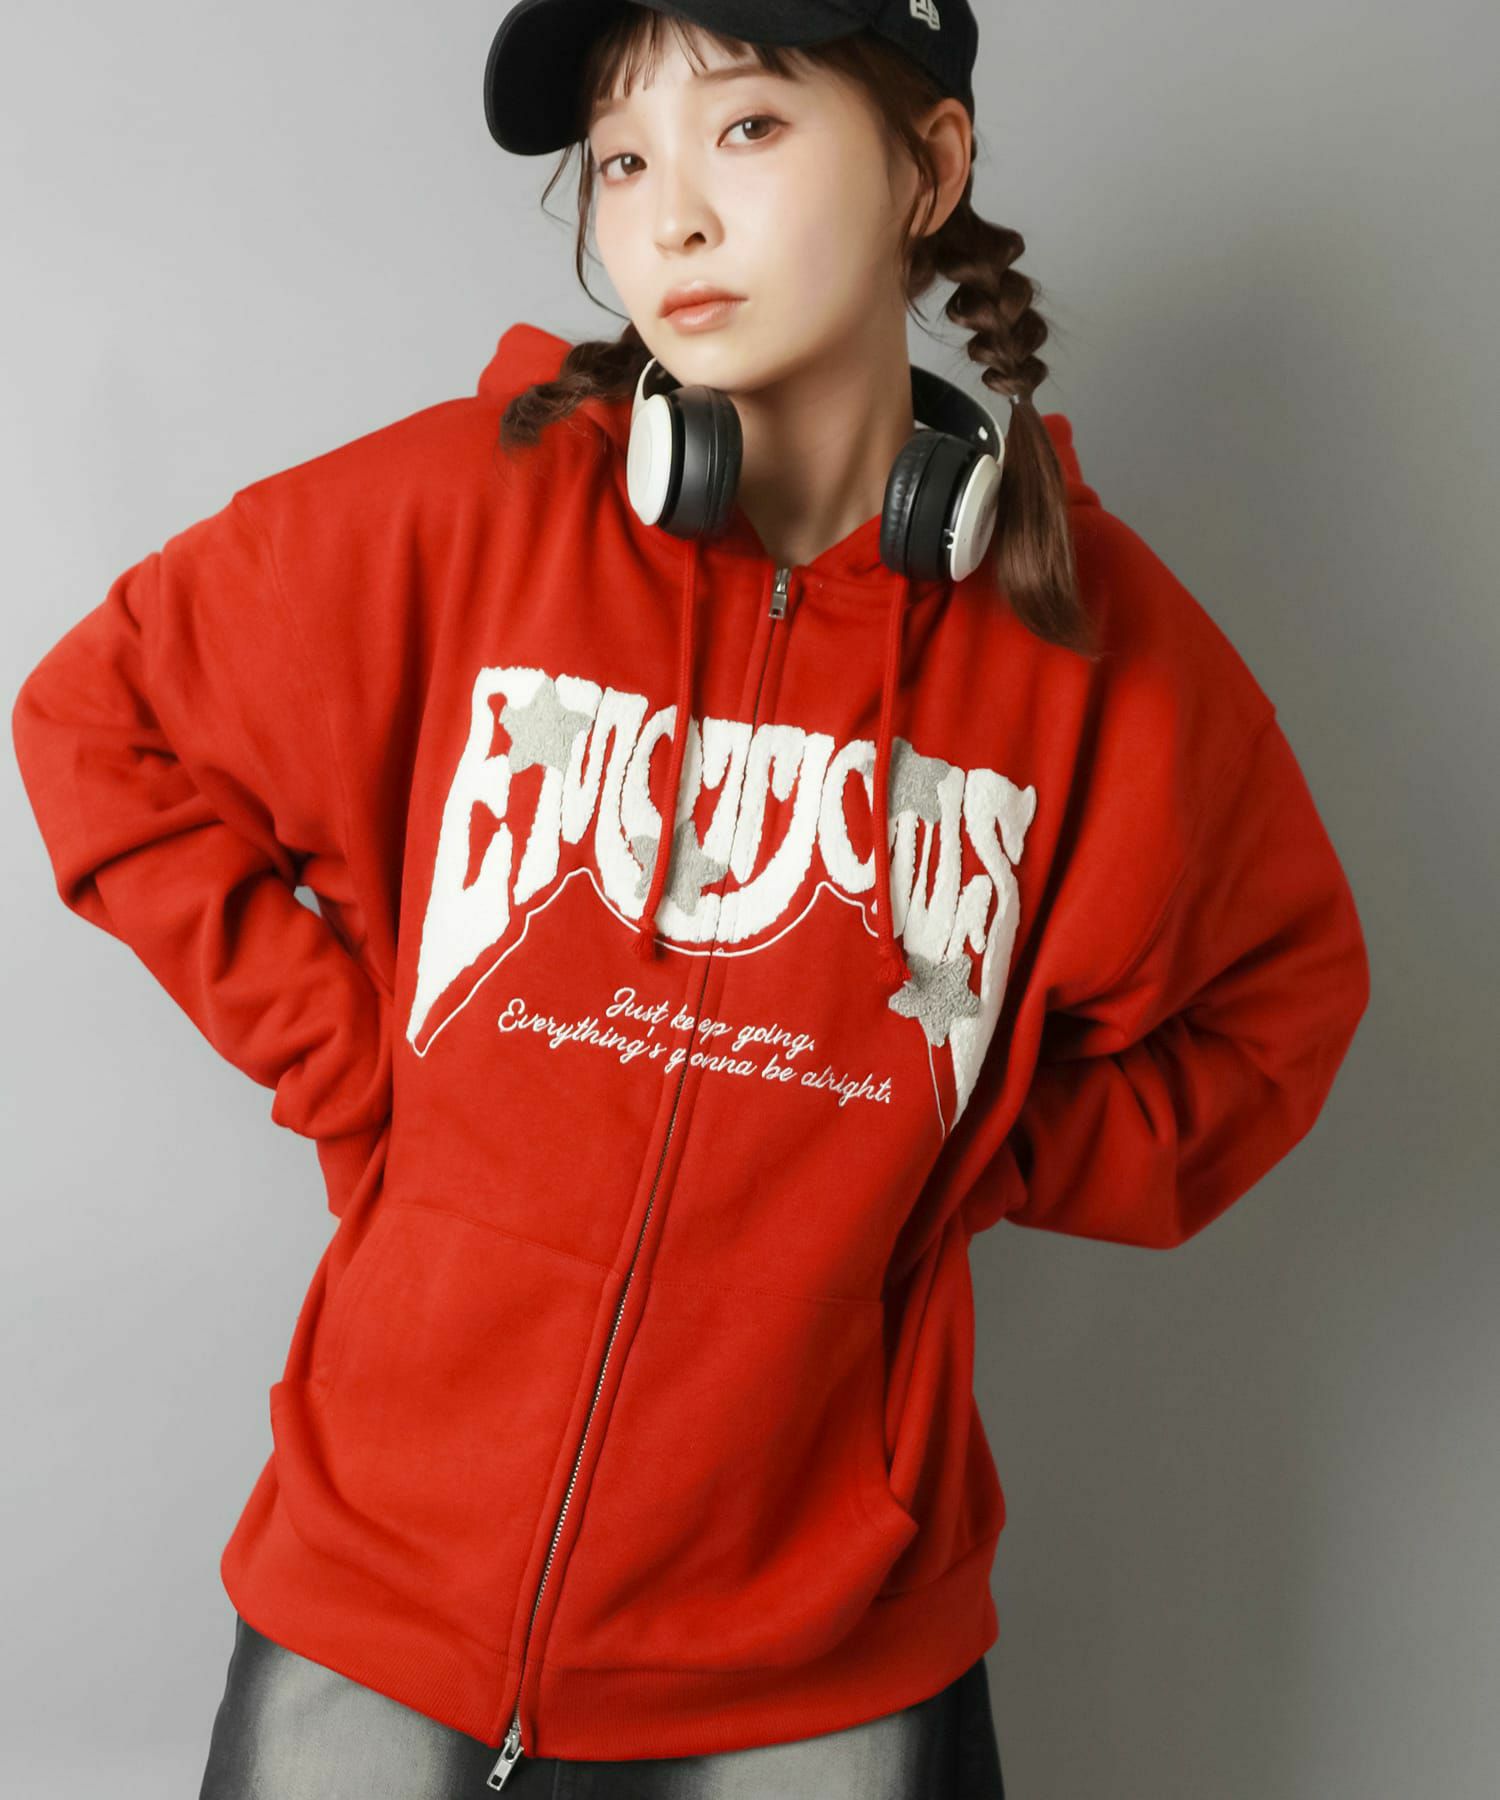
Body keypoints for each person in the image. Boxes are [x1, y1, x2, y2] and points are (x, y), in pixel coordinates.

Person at [10, 2, 1371, 1796]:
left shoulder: (1090, 655)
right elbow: (98, 720)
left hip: (818, 1658)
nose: (673, 216)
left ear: (930, 167)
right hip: (381, 1595)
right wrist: (366, 1070)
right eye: (624, 157)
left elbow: (1280, 1002)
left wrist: (947, 1156)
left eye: (747, 129)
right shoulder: (472, 516)